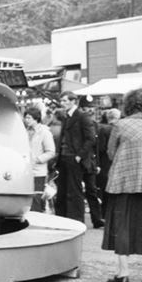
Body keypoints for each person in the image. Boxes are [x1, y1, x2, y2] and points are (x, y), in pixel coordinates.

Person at [102, 88, 142, 282]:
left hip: (123, 182)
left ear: (128, 105)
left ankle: (123, 275)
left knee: (122, 226)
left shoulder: (120, 125)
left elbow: (110, 153)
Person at [55, 92, 100, 225]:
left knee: (74, 191)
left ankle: (75, 220)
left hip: (73, 158)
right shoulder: (67, 117)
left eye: (64, 101)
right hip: (64, 157)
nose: (62, 103)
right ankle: (63, 218)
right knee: (63, 190)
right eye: (61, 101)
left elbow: (91, 138)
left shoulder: (82, 116)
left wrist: (79, 155)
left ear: (73, 101)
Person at [23, 105, 56, 212]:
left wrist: (37, 159)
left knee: (36, 198)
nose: (26, 120)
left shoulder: (45, 132)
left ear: (36, 118)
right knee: (25, 198)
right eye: (26, 117)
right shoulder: (24, 131)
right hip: (24, 170)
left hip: (38, 171)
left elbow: (51, 152)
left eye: (29, 118)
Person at [96, 107, 121, 200]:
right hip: (116, 161)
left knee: (105, 188)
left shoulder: (103, 129)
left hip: (105, 162)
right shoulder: (119, 129)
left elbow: (101, 148)